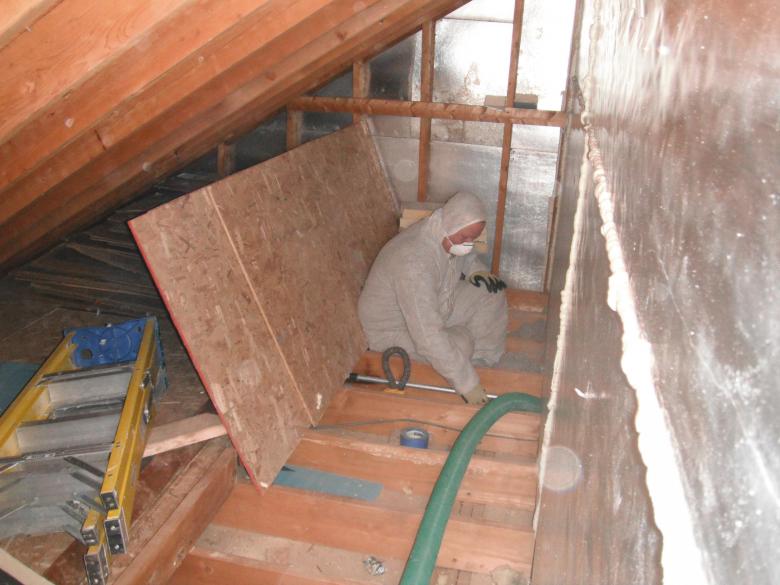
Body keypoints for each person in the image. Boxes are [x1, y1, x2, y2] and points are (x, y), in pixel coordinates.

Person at [358, 192, 508, 404]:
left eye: (472, 239)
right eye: (464, 238)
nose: (467, 244)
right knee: (462, 343)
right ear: (452, 225)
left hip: (433, 303)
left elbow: (459, 257)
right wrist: (467, 384)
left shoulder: (442, 229)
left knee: (491, 293)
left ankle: (483, 362)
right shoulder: (414, 263)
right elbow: (427, 335)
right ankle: (463, 369)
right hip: (393, 330)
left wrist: (476, 269)